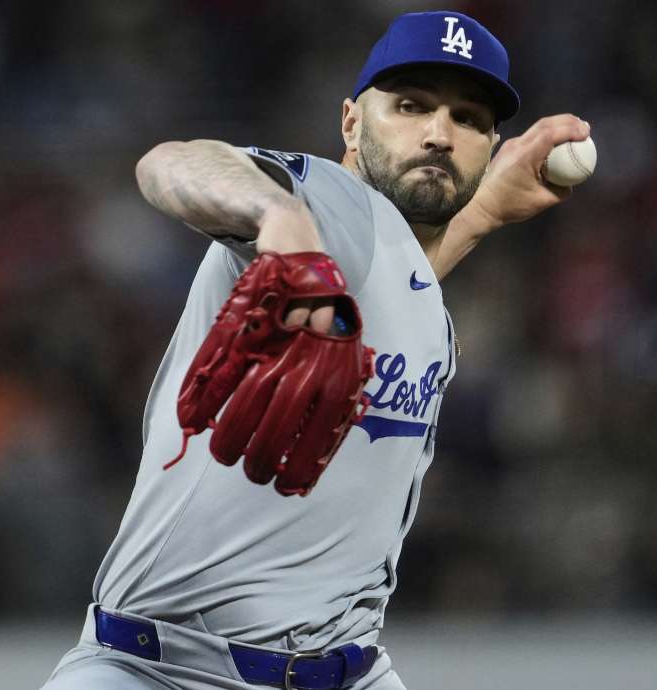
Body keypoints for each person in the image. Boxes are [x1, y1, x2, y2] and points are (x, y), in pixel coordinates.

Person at [42, 10, 590, 690]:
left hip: (349, 672)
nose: (439, 134)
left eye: (468, 119)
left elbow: (396, 280)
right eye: (411, 106)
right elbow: (173, 162)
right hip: (157, 670)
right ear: (352, 124)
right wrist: (281, 223)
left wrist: (482, 214)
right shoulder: (323, 200)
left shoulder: (420, 297)